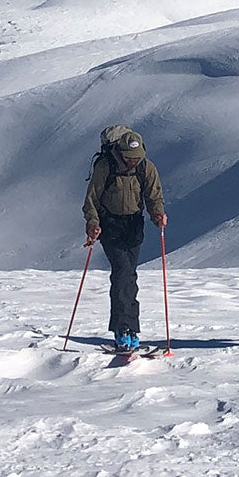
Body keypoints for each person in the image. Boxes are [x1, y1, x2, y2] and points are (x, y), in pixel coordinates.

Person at [82, 129, 166, 351]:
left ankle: (131, 329)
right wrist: (93, 223)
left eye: (136, 159)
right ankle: (123, 330)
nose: (132, 163)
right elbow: (91, 200)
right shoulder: (105, 167)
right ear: (120, 153)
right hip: (110, 226)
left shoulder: (146, 167)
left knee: (130, 276)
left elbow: (153, 195)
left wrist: (157, 214)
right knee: (122, 274)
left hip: (134, 227)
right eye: (129, 159)